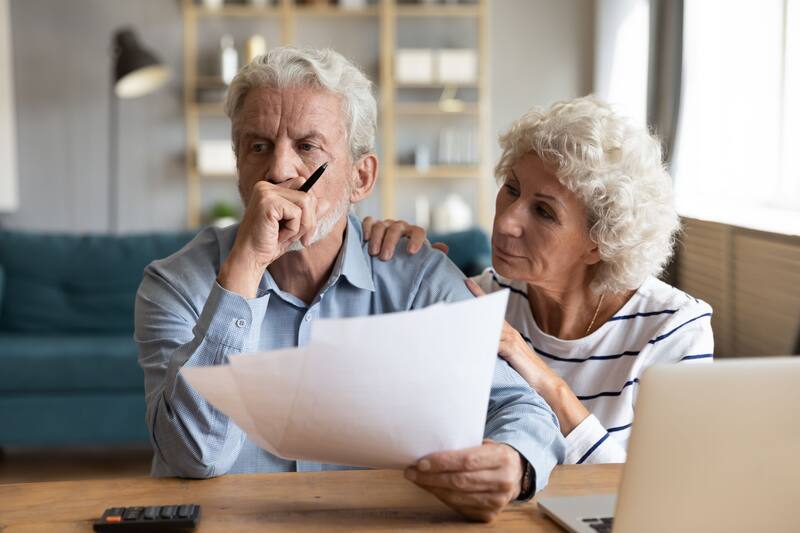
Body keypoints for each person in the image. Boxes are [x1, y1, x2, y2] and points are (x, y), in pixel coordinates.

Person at [134, 47, 565, 523]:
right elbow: (196, 456)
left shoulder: (419, 280)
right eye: (257, 146)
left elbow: (521, 407)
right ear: (238, 167)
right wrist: (248, 265)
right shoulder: (174, 285)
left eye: (307, 147)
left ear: (360, 178)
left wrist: (514, 462)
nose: (278, 171)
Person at [363, 96, 714, 465]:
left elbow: (660, 490)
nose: (506, 222)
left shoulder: (675, 329)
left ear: (599, 242)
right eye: (512, 189)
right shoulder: (484, 296)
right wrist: (395, 272)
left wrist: (542, 378)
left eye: (544, 212)